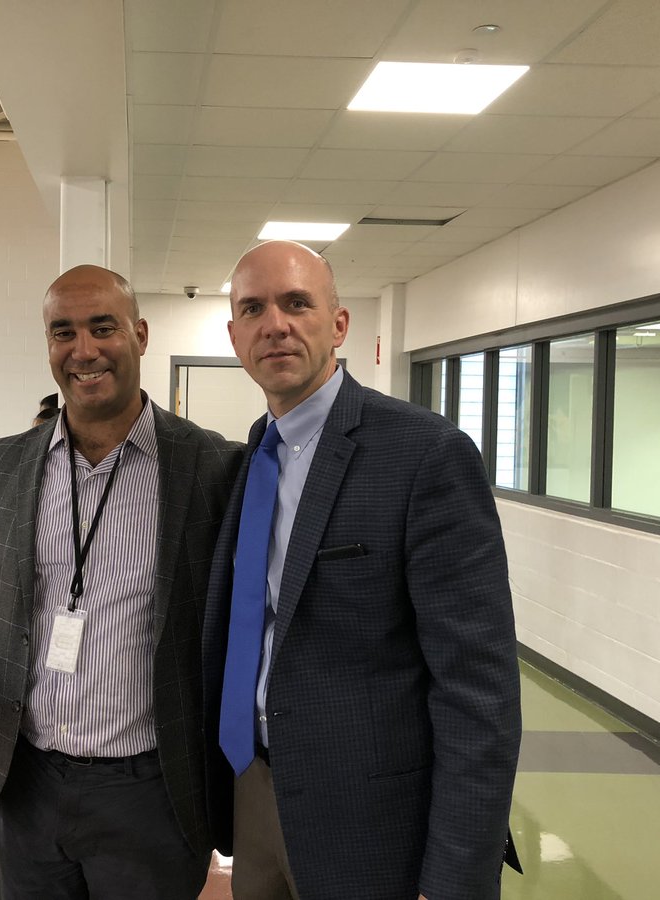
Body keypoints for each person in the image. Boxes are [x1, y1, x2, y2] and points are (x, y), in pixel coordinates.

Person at [0, 264, 242, 899]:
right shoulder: (6, 463)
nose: (84, 350)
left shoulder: (213, 465)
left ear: (141, 334)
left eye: (104, 328)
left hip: (154, 791)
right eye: (62, 332)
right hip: (27, 783)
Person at [202, 241, 521, 900]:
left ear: (338, 324)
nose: (276, 324)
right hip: (254, 792)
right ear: (235, 335)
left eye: (297, 303)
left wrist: (456, 875)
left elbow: (478, 691)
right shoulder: (250, 460)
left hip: (374, 821)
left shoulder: (423, 456)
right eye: (253, 309)